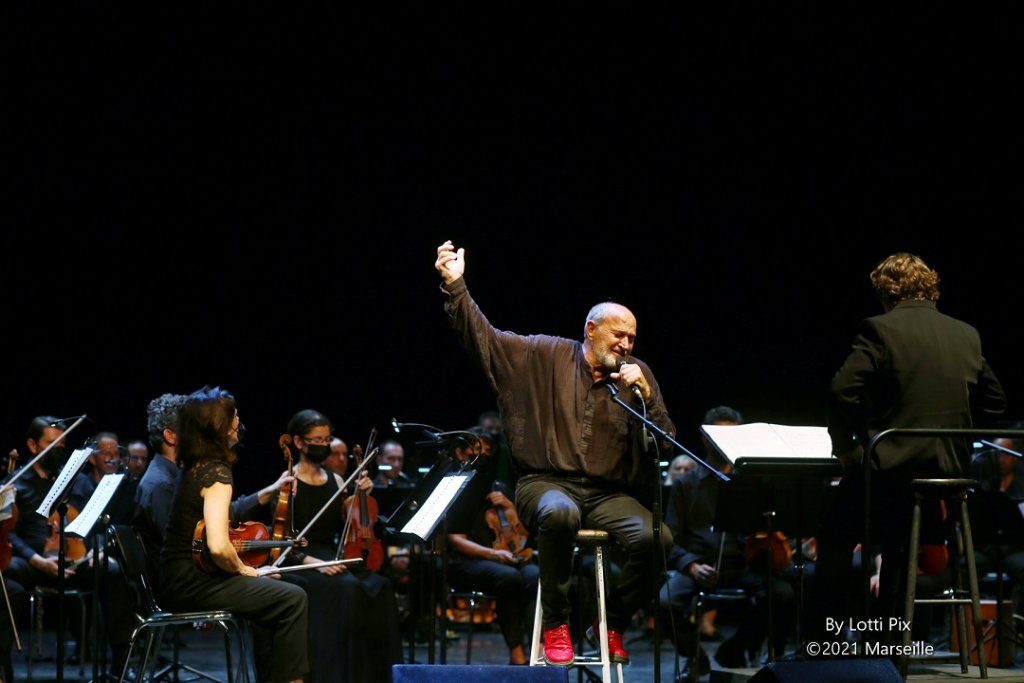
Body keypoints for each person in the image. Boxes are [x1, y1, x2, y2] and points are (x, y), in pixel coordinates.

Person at [435, 239, 676, 667]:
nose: (625, 344)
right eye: (618, 334)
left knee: (658, 535)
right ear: (591, 330)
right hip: (543, 484)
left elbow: (663, 438)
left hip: (605, 494)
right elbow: (484, 341)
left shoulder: (637, 377)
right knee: (559, 512)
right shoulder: (542, 355)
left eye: (632, 338)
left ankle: (610, 623)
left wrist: (647, 395)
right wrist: (456, 287)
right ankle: (556, 622)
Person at [814, 252, 1007, 649]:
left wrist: (847, 446)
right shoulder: (966, 334)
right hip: (949, 475)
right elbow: (996, 402)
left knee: (833, 537)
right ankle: (889, 647)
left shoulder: (880, 329)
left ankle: (822, 643)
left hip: (893, 469)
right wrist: (955, 433)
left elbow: (840, 391)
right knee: (899, 546)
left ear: (886, 293)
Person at [158, 387, 308, 683]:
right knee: (293, 598)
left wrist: (267, 493)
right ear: (219, 425)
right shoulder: (216, 473)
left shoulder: (197, 466)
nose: (239, 421)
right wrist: (246, 571)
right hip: (192, 583)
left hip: (179, 578)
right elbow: (217, 546)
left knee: (287, 585)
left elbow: (220, 525)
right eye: (234, 416)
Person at [660, 406, 794, 676]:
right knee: (665, 601)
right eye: (718, 436)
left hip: (744, 564)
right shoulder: (686, 484)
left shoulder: (751, 481)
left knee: (783, 594)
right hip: (701, 566)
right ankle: (695, 657)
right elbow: (670, 538)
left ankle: (737, 646)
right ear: (705, 438)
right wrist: (692, 566)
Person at [275, 409, 402, 683]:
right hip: (301, 561)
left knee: (381, 586)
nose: (324, 445)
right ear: (299, 442)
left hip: (332, 556)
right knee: (346, 589)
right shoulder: (288, 482)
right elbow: (282, 542)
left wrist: (362, 494)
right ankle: (334, 675)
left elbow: (351, 522)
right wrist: (316, 565)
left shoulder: (337, 481)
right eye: (317, 440)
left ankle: (375, 674)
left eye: (327, 438)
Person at [5, 416, 137, 676]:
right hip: (34, 564)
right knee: (7, 575)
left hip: (73, 559)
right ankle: (3, 666)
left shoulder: (72, 479)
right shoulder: (15, 484)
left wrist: (94, 550)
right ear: (32, 445)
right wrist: (36, 559)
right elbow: (8, 535)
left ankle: (121, 665)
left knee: (114, 573)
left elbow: (93, 520)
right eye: (50, 443)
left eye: (62, 443)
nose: (59, 448)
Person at [445, 432, 539, 665]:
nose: (483, 456)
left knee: (535, 575)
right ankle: (516, 651)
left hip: (507, 558)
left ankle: (538, 647)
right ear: (460, 453)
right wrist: (493, 553)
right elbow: (456, 540)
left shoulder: (498, 488)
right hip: (466, 562)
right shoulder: (454, 489)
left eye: (487, 452)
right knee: (509, 578)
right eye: (477, 451)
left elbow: (525, 535)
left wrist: (511, 506)